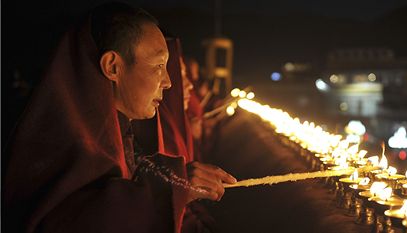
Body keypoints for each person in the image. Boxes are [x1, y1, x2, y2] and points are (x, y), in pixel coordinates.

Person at [3, 2, 236, 233]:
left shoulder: (118, 134)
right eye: (159, 66)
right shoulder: (60, 141)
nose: (169, 82)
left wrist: (173, 180)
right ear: (113, 67)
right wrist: (170, 188)